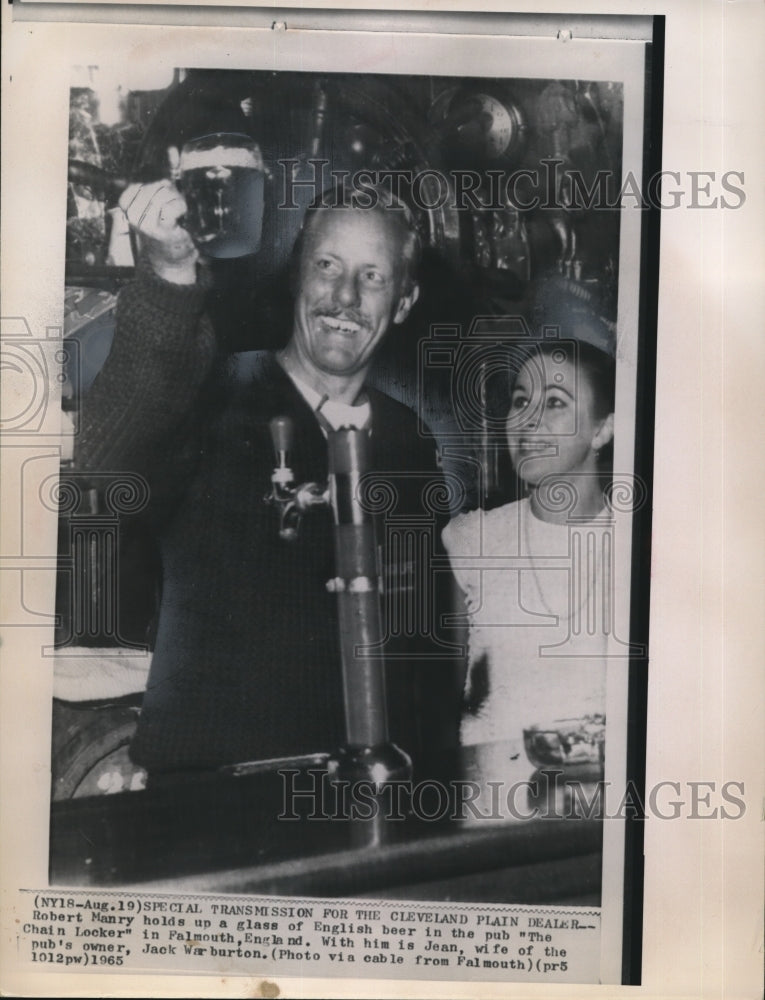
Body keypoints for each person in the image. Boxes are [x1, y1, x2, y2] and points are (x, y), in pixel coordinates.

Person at [76, 178, 462, 777]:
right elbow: (107, 461)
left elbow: (426, 641)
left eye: (373, 276)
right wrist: (171, 279)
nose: (344, 296)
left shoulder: (406, 439)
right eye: (327, 266)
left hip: (372, 794)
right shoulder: (217, 391)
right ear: (297, 277)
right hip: (217, 792)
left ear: (404, 303)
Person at [442, 336, 615, 757]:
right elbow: (430, 698)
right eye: (520, 402)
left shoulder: (649, 545)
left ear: (603, 429)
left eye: (555, 402)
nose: (526, 420)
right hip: (492, 797)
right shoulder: (468, 541)